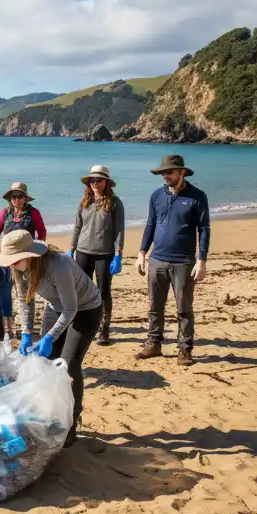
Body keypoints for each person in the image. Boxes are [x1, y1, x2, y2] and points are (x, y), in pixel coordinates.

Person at [0, 230, 103, 448]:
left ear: (29, 256)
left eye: (14, 260)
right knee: (46, 363)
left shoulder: (58, 266)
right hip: (55, 308)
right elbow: (25, 302)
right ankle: (51, 416)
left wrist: (50, 337)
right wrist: (25, 332)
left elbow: (71, 308)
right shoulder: (20, 270)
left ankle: (71, 424)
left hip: (85, 310)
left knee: (69, 365)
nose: (11, 265)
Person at [135, 154, 210, 366]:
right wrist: (142, 252)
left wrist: (201, 260)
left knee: (184, 308)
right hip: (157, 259)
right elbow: (150, 225)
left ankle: (185, 350)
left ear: (182, 172)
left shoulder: (197, 197)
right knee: (154, 306)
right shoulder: (156, 196)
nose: (165, 176)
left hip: (184, 262)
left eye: (169, 172)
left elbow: (204, 229)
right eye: (163, 173)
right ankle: (154, 343)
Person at [68, 164, 125, 346]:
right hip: (83, 252)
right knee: (82, 291)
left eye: (98, 180)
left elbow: (119, 231)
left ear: (106, 182)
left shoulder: (115, 203)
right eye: (92, 180)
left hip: (104, 254)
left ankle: (104, 329)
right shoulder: (84, 202)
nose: (94, 183)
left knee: (103, 291)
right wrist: (71, 249)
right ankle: (85, 325)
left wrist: (118, 254)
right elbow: (77, 227)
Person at [0, 182, 47, 250]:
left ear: (25, 198)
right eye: (14, 197)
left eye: (20, 196)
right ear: (10, 199)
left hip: (28, 250)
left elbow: (42, 232)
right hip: (9, 250)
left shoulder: (34, 213)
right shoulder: (4, 213)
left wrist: (38, 248)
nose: (17, 200)